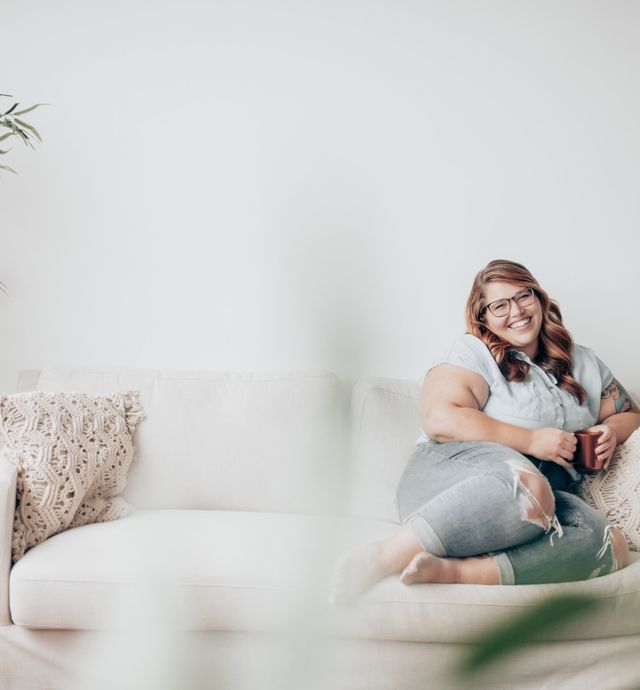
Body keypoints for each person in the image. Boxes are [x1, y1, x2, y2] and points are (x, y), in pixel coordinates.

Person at [331, 259, 640, 604]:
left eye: (523, 296)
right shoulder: (473, 352)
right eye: (500, 305)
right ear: (483, 317)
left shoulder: (581, 360)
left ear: (539, 299)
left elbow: (629, 414)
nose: (516, 311)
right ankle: (382, 557)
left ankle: (458, 572)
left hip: (542, 496)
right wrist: (532, 441)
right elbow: (439, 418)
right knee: (529, 487)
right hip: (449, 478)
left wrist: (609, 431)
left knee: (609, 544)